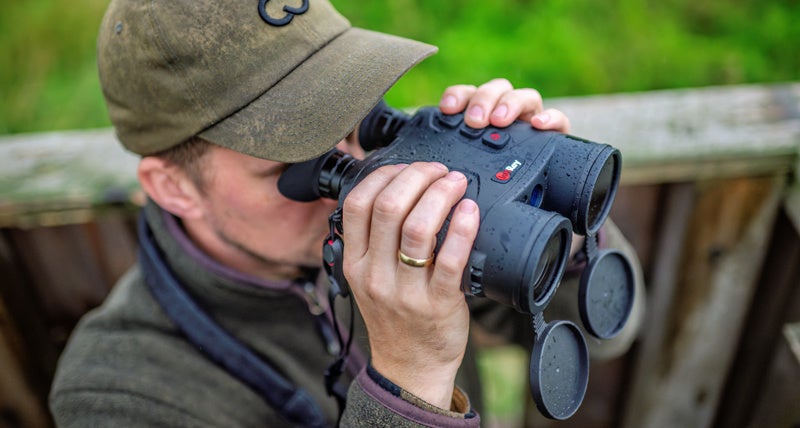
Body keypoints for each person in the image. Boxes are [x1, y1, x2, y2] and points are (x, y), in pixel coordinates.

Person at [49, 0, 644, 426]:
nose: (361, 174)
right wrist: (410, 381)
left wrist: (554, 215)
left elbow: (611, 332)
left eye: (360, 123)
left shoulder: (411, 220)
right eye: (300, 163)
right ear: (173, 186)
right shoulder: (116, 394)